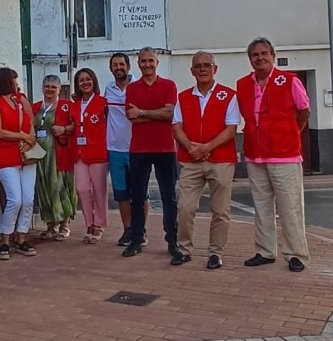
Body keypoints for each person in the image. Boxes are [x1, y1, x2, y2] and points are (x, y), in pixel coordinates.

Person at [237, 37, 311, 272]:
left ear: (273, 56)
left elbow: (304, 111)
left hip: (284, 155)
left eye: (264, 53)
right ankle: (265, 251)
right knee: (261, 207)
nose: (260, 58)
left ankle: (296, 254)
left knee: (290, 207)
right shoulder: (243, 85)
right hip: (255, 155)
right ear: (250, 59)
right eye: (255, 54)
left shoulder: (290, 81)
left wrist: (290, 132)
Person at [172, 52, 241, 269]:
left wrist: (206, 148)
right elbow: (176, 126)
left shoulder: (229, 95)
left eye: (207, 65)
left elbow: (231, 129)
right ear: (192, 71)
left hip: (220, 160)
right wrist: (192, 148)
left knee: (221, 210)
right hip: (190, 161)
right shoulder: (183, 97)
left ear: (215, 69)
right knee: (185, 207)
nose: (202, 69)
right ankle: (184, 250)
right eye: (198, 66)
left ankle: (215, 253)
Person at [122, 47, 179, 261]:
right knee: (137, 196)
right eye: (143, 61)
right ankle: (137, 239)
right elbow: (131, 117)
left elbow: (170, 113)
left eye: (150, 61)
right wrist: (156, 114)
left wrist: (143, 112)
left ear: (157, 62)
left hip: (165, 148)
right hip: (139, 149)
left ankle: (172, 240)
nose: (147, 64)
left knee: (169, 197)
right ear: (138, 64)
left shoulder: (169, 85)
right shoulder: (132, 88)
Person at [0, 67, 38, 260]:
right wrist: (22, 136)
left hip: (26, 156)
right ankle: (5, 239)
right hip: (6, 156)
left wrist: (30, 139)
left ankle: (22, 236)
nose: (16, 82)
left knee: (28, 199)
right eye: (13, 79)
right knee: (14, 199)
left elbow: (31, 121)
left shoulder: (20, 99)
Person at [104, 53, 150, 247]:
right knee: (121, 194)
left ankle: (141, 230)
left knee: (141, 193)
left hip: (137, 148)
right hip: (114, 149)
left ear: (129, 66)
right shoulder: (108, 89)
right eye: (115, 65)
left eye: (121, 64)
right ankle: (128, 229)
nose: (118, 68)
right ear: (111, 68)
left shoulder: (139, 87)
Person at [31, 75, 77, 240]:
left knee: (60, 187)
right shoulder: (36, 107)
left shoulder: (67, 106)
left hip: (59, 152)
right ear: (42, 88)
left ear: (59, 89)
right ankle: (50, 225)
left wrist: (64, 129)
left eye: (53, 87)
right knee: (43, 187)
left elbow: (77, 125)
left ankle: (64, 225)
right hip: (40, 154)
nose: (49, 89)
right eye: (47, 86)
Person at [70, 68, 110, 244]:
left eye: (88, 79)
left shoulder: (103, 103)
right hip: (79, 152)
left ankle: (98, 224)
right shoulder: (74, 105)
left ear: (93, 81)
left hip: (98, 152)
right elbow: (73, 125)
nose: (85, 82)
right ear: (77, 84)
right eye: (81, 80)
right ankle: (89, 222)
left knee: (99, 190)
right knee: (82, 188)